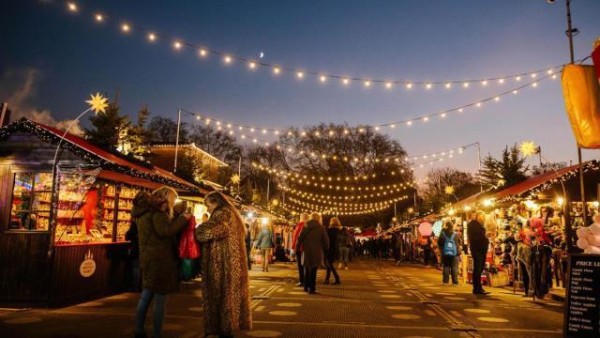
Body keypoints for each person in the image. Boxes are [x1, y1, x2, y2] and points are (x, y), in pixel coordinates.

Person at [133, 187, 191, 338]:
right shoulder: (157, 212)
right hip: (160, 260)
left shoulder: (145, 212)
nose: (173, 203)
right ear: (165, 198)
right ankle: (156, 334)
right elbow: (164, 231)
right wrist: (183, 219)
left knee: (146, 295)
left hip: (149, 257)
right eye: (173, 199)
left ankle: (139, 329)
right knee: (160, 298)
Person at [195, 191, 252, 338]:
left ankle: (224, 328)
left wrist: (199, 230)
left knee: (222, 294)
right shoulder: (231, 213)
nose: (207, 209)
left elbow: (213, 231)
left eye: (208, 205)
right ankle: (226, 327)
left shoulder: (223, 213)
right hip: (230, 261)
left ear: (216, 202)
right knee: (227, 295)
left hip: (222, 262)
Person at [296, 212, 329, 294]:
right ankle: (312, 289)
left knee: (306, 268)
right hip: (317, 251)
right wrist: (325, 248)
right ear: (319, 219)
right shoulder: (321, 228)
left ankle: (306, 287)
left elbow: (299, 238)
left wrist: (298, 247)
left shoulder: (305, 226)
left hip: (306, 251)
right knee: (313, 270)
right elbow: (326, 241)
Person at [467, 211, 490, 295]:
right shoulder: (474, 225)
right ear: (478, 216)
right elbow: (477, 238)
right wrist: (486, 236)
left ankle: (478, 287)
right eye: (482, 216)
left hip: (480, 250)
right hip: (478, 250)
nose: (483, 218)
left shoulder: (478, 225)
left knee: (479, 269)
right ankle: (477, 288)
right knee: (478, 269)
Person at [291, 213, 308, 287]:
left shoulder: (300, 225)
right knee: (305, 265)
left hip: (299, 248)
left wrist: (293, 246)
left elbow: (296, 237)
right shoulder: (308, 226)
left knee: (300, 265)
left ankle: (302, 280)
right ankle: (305, 280)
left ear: (302, 218)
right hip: (306, 248)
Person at [324, 217, 341, 285]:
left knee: (329, 264)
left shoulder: (329, 230)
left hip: (329, 248)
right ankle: (326, 279)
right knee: (329, 264)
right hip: (336, 249)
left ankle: (337, 278)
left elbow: (326, 240)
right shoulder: (339, 230)